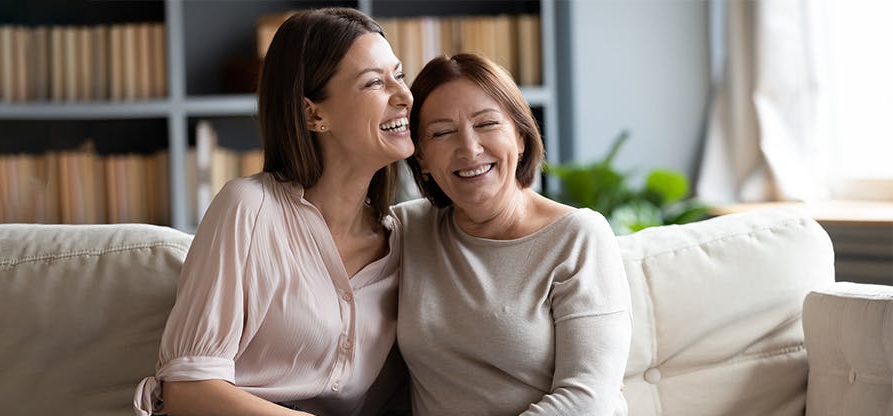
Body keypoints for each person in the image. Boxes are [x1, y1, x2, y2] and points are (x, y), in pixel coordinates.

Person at [133, 7, 414, 416]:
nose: (404, 95)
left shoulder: (406, 241)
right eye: (374, 82)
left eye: (399, 75)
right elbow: (188, 391)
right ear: (313, 114)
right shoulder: (248, 209)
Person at [393, 53, 632, 416]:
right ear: (421, 159)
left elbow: (587, 400)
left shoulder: (578, 237)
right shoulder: (406, 231)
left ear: (520, 136)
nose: (469, 149)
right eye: (442, 133)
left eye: (487, 124)